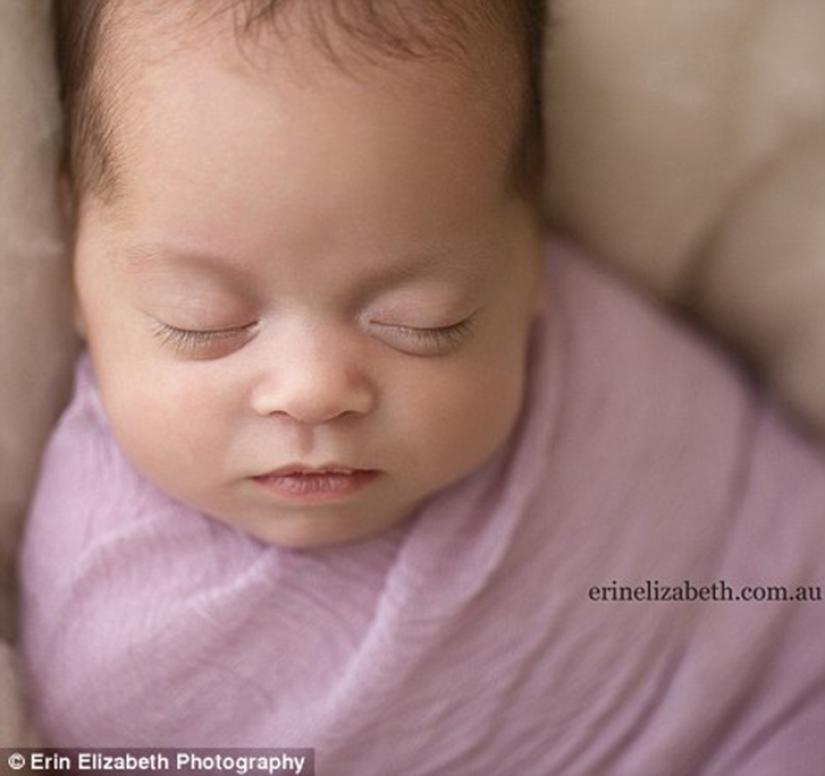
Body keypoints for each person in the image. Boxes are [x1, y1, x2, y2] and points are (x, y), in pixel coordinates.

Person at [20, 0, 825, 772]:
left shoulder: (602, 360)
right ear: (78, 269)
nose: (313, 391)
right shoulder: (110, 624)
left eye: (420, 322)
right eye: (202, 321)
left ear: (528, 253)